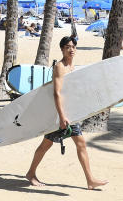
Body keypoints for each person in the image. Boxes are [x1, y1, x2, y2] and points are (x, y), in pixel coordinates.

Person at [25, 36, 107, 190]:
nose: (71, 49)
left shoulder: (72, 66)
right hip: (60, 115)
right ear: (62, 49)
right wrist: (62, 117)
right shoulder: (60, 67)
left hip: (70, 113)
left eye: (73, 47)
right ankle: (30, 173)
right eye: (68, 47)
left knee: (76, 143)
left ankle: (90, 180)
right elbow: (57, 93)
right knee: (46, 145)